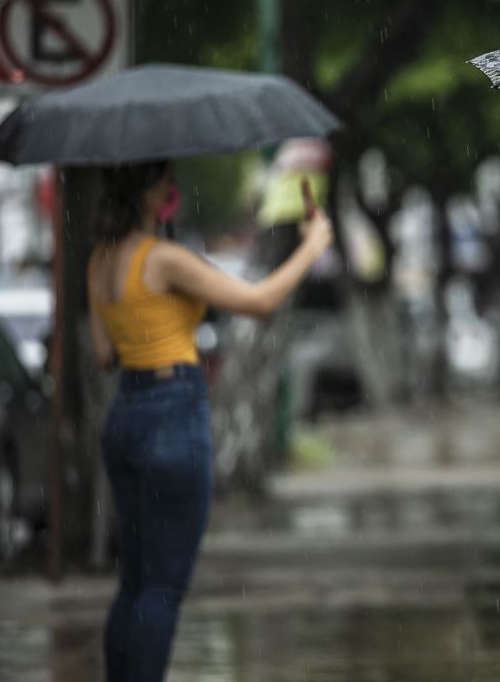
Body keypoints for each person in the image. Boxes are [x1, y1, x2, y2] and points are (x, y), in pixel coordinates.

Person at [86, 161, 333, 682]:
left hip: (125, 414)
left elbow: (105, 353)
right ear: (151, 195)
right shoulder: (166, 259)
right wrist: (312, 246)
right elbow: (259, 301)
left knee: (135, 579)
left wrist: (148, 319)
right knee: (163, 585)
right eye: (164, 181)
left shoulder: (100, 261)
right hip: (172, 412)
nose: (172, 188)